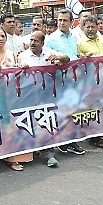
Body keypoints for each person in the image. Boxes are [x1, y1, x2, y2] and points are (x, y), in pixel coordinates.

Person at [0, 28, 33, 170]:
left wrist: (21, 66)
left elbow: (15, 70)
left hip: (10, 93)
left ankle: (12, 157)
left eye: (3, 36)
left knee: (11, 125)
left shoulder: (11, 54)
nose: (1, 39)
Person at [18, 30, 68, 166]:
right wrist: (21, 68)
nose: (32, 43)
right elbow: (16, 74)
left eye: (36, 41)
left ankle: (49, 154)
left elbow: (66, 59)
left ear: (42, 43)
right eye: (31, 40)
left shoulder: (49, 53)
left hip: (47, 94)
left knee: (46, 123)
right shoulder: (23, 56)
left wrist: (60, 60)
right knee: (33, 123)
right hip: (29, 95)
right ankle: (35, 149)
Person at [43, 9, 85, 155]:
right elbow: (46, 58)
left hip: (74, 80)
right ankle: (63, 141)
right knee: (61, 111)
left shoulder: (74, 37)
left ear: (71, 22)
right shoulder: (51, 38)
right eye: (59, 20)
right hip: (59, 81)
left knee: (73, 111)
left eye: (65, 20)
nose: (61, 23)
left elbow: (74, 55)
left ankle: (72, 140)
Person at [76, 15, 103, 147]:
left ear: (97, 27)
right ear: (83, 28)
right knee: (91, 108)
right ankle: (93, 137)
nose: (90, 29)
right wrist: (82, 58)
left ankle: (99, 133)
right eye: (87, 27)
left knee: (102, 106)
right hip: (88, 82)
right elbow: (76, 63)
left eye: (93, 26)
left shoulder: (102, 41)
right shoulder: (79, 43)